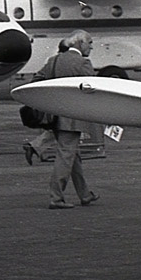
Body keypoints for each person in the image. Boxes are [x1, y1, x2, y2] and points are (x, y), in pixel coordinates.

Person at [41, 30, 99, 209]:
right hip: (73, 118)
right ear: (80, 44)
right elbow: (94, 88)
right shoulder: (83, 63)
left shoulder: (54, 61)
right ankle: (56, 198)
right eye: (89, 42)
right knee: (66, 157)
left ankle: (85, 194)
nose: (91, 46)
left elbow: (38, 79)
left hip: (55, 116)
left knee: (73, 157)